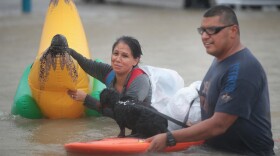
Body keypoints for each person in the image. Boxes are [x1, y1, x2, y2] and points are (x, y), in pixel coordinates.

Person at [146, 5, 274, 155]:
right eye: (202, 30)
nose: (205, 36)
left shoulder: (242, 70)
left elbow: (219, 125)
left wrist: (169, 137)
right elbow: (215, 112)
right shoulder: (220, 60)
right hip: (215, 148)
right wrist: (195, 128)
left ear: (233, 31)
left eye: (212, 30)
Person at [67, 36, 152, 115]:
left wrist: (86, 99)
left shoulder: (140, 81)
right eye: (115, 54)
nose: (117, 59)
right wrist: (69, 51)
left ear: (135, 60)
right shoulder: (110, 73)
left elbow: (125, 114)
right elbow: (87, 64)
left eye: (125, 56)